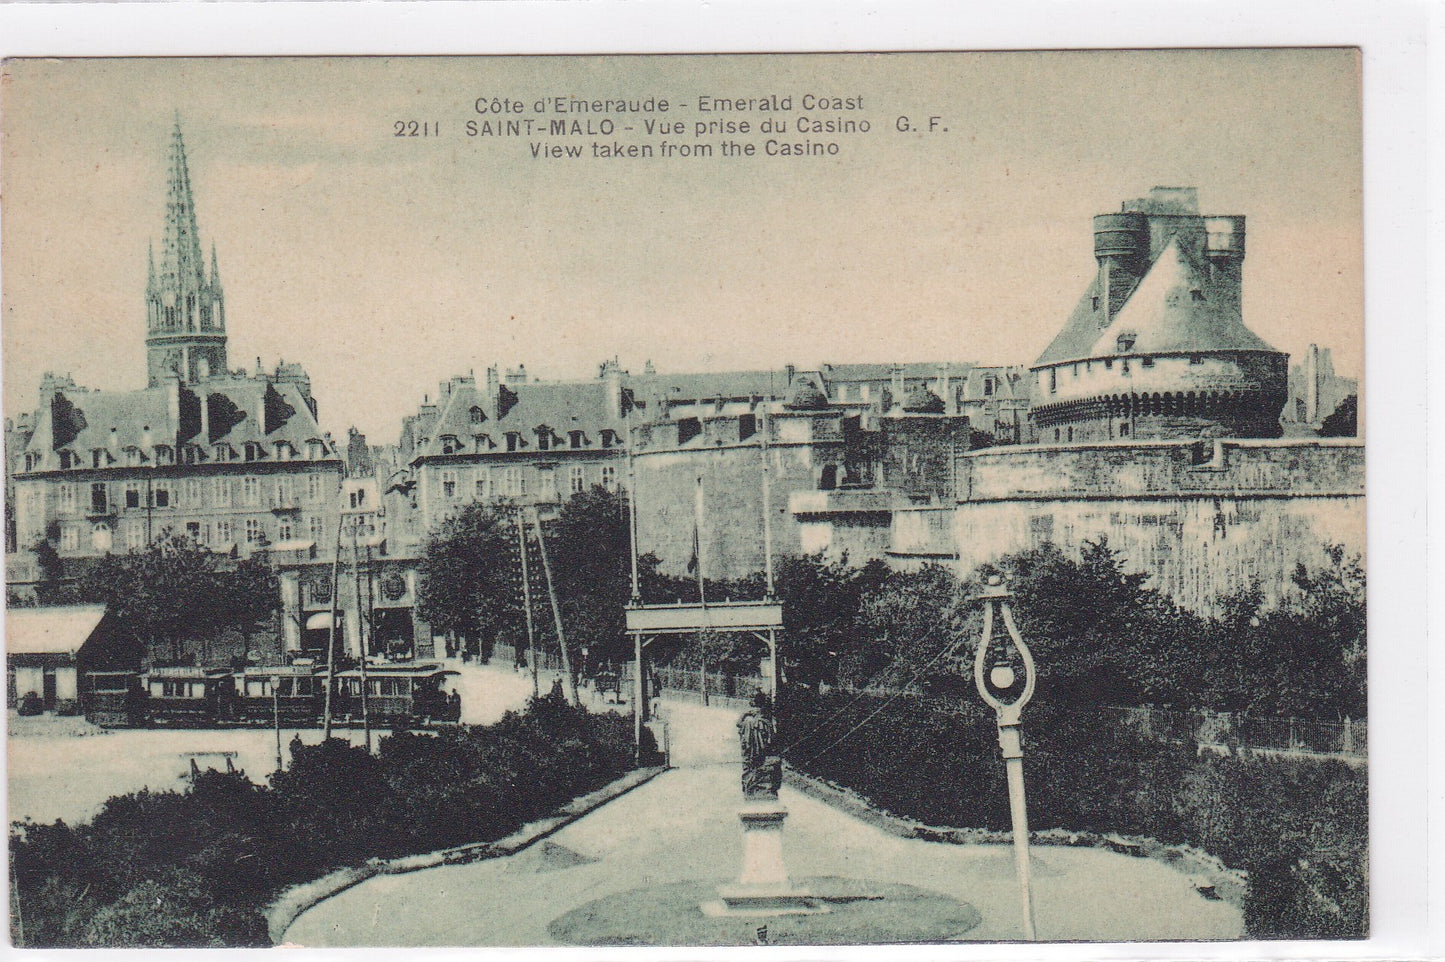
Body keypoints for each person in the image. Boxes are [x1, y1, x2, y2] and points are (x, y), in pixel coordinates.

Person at [736, 692, 781, 800]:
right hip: (763, 756)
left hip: (750, 756)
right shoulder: (766, 720)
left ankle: (751, 790)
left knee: (750, 771)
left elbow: (739, 725)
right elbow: (772, 740)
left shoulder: (748, 720)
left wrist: (745, 714)